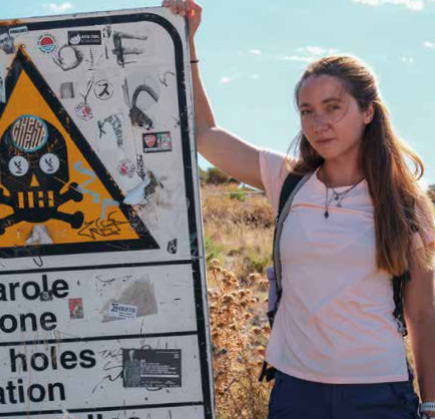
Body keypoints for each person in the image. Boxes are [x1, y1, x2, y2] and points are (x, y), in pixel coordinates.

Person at [163, 1, 435, 418]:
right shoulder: (288, 180)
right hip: (296, 393)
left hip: (378, 395)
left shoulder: (404, 201)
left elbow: (422, 314)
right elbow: (204, 133)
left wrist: (431, 405)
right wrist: (187, 41)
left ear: (367, 111)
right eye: (307, 111)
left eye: (333, 107)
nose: (318, 122)